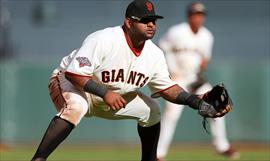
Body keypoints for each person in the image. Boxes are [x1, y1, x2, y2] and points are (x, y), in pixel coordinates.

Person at [31, 1, 227, 161]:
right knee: (76, 107)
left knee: (152, 111)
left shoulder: (154, 54)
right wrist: (104, 93)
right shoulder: (104, 39)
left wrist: (196, 101)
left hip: (113, 97)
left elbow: (168, 89)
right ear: (129, 22)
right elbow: (74, 74)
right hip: (71, 83)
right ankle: (39, 158)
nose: (151, 24)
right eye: (145, 20)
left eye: (154, 21)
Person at [156, 2, 240, 161]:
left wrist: (202, 67)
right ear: (189, 16)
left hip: (195, 78)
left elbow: (204, 59)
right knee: (171, 115)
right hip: (177, 78)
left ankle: (221, 146)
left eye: (201, 15)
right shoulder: (176, 32)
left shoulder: (207, 36)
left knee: (218, 105)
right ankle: (159, 154)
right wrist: (168, 70)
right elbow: (161, 47)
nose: (198, 18)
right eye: (195, 14)